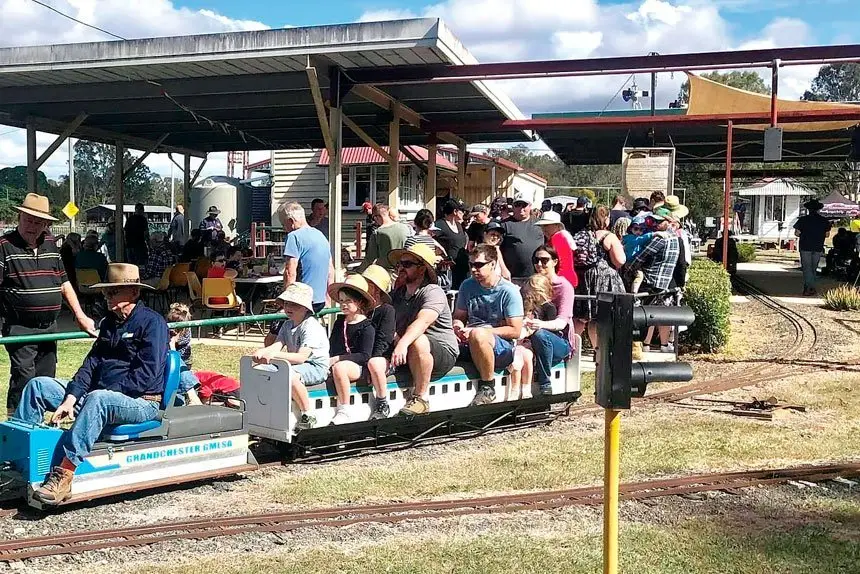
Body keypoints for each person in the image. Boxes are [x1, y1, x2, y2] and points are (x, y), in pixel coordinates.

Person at [13, 263, 166, 504]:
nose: (107, 296)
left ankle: (64, 475)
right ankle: (18, 461)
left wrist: (98, 395)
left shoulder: (152, 323)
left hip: (141, 401)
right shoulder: (109, 323)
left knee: (98, 399)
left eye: (113, 291)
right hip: (99, 396)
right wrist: (72, 397)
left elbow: (145, 375)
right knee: (38, 386)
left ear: (134, 292)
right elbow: (91, 363)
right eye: (106, 291)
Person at [1, 194, 97, 417]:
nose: (32, 226)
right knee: (23, 375)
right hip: (19, 327)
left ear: (46, 224)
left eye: (38, 222)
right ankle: (17, 423)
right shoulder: (4, 246)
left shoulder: (51, 244)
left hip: (49, 326)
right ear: (19, 217)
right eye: (28, 220)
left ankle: (38, 423)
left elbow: (63, 282)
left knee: (46, 377)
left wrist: (80, 315)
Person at [387, 244, 460, 415]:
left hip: (441, 351)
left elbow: (423, 321)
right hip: (407, 350)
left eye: (407, 264)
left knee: (418, 340)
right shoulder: (396, 295)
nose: (401, 268)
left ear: (422, 269)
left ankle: (421, 398)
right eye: (399, 264)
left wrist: (402, 344)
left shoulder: (433, 292)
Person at [252, 283, 330, 431]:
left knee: (290, 376)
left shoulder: (311, 326)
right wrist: (263, 353)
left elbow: (302, 357)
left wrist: (274, 355)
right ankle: (266, 409)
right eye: (287, 303)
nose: (289, 308)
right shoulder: (287, 325)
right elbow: (277, 345)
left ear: (306, 308)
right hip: (294, 365)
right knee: (260, 370)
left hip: (315, 366)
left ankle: (307, 413)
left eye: (295, 305)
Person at [453, 244, 524, 406]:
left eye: (478, 265)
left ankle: (488, 387)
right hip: (471, 340)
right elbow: (459, 316)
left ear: (492, 264)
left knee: (479, 334)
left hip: (502, 347)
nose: (474, 269)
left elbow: (515, 330)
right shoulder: (467, 285)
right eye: (471, 265)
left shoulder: (508, 291)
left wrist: (483, 331)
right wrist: (457, 327)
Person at [572, 205, 626, 351]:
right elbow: (620, 261)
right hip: (605, 278)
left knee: (583, 316)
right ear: (607, 219)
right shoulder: (609, 237)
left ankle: (573, 348)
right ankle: (599, 349)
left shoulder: (583, 234)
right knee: (600, 317)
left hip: (585, 277)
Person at [624, 214, 681, 350]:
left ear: (668, 222)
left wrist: (628, 269)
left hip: (651, 281)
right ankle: (662, 344)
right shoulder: (676, 239)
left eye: (659, 221)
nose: (656, 224)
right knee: (662, 315)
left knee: (643, 315)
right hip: (666, 282)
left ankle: (643, 344)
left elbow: (642, 256)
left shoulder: (660, 238)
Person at [327, 276, 377, 425]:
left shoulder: (367, 326)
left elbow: (365, 355)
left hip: (358, 366)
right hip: (337, 362)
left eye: (348, 301)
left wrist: (338, 359)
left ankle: (344, 410)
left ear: (359, 302)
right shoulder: (339, 323)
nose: (344, 305)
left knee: (340, 368)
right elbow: (332, 346)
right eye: (341, 301)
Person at [530, 246, 575, 394]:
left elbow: (561, 322)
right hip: (532, 335)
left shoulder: (564, 287)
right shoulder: (531, 284)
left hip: (560, 341)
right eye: (536, 260)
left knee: (540, 334)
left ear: (555, 261)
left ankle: (545, 384)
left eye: (544, 260)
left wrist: (540, 324)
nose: (539, 264)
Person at [281, 202, 334, 313]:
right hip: (320, 301)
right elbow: (330, 270)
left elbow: (290, 272)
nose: (284, 229)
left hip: (302, 300)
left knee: (277, 327)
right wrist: (328, 300)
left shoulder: (293, 236)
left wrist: (287, 303)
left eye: (283, 225)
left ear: (291, 222)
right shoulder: (320, 235)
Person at [360, 265, 396, 420]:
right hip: (365, 355)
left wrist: (369, 360)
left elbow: (384, 340)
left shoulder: (387, 310)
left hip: (383, 357)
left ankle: (382, 402)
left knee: (374, 363)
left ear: (374, 288)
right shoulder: (362, 311)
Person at [500, 190, 545, 285]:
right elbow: (495, 249)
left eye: (524, 205)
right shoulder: (504, 225)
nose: (521, 208)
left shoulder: (539, 224)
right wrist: (503, 269)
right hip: (512, 278)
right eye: (517, 205)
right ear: (513, 207)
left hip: (536, 277)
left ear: (530, 206)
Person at [359, 204, 411, 274]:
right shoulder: (405, 228)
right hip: (405, 272)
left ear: (377, 217)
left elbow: (370, 259)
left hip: (386, 273)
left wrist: (357, 272)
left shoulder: (377, 233)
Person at [794, 199, 831, 296]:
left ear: (808, 209)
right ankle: (811, 287)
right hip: (818, 246)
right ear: (819, 209)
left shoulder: (802, 220)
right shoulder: (824, 221)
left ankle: (808, 287)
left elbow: (797, 233)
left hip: (805, 246)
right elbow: (827, 235)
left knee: (807, 268)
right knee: (813, 268)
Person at [535, 210, 578, 288]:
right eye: (542, 226)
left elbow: (560, 263)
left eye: (547, 225)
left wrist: (553, 281)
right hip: (563, 280)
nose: (544, 229)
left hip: (561, 281)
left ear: (557, 225)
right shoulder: (560, 237)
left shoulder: (557, 239)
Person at [434, 199, 469, 289]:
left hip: (463, 267)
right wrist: (439, 251)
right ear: (455, 211)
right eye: (462, 211)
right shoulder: (439, 225)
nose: (464, 213)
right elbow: (429, 237)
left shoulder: (458, 225)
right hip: (449, 270)